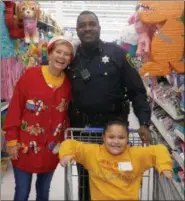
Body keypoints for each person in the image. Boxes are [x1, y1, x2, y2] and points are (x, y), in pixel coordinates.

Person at [66, 10, 152, 200]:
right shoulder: (70, 57)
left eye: (91, 24)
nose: (87, 28)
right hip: (82, 130)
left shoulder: (117, 53)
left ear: (99, 27)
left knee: (116, 178)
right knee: (85, 177)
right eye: (82, 25)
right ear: (77, 30)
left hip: (114, 130)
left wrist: (144, 122)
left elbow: (137, 91)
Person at [3, 35, 78, 201]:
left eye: (67, 54)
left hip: (51, 149)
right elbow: (16, 107)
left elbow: (67, 116)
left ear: (70, 60)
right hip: (24, 146)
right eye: (58, 52)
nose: (62, 57)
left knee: (44, 192)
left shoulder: (68, 84)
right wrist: (11, 140)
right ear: (49, 53)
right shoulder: (31, 75)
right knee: (22, 192)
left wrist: (68, 145)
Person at [59, 120, 173, 200]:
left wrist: (164, 167)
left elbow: (160, 149)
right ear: (103, 138)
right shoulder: (93, 153)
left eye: (121, 137)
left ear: (127, 139)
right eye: (111, 137)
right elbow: (69, 143)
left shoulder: (136, 154)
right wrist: (67, 154)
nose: (116, 142)